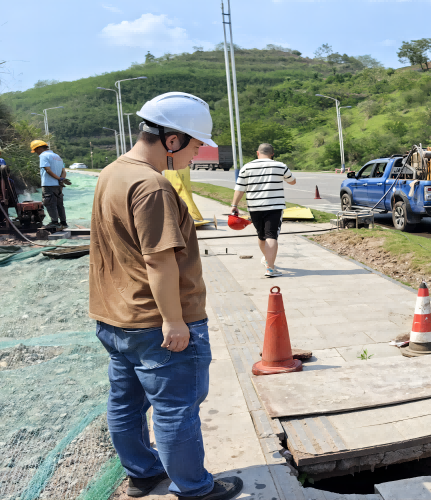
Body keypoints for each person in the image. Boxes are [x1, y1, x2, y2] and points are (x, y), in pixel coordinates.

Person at [89, 92, 243, 500]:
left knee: (126, 403)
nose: (197, 154)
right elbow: (159, 262)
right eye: (195, 146)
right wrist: (174, 321)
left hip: (116, 316)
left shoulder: (112, 172)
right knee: (176, 409)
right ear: (171, 140)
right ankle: (195, 488)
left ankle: (142, 472)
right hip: (157, 322)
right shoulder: (151, 185)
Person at [230, 142, 296, 277]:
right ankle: (270, 268)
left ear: (257, 153)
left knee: (261, 235)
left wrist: (234, 206)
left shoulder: (246, 167)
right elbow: (292, 181)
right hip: (274, 207)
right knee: (272, 235)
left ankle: (267, 259)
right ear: (272, 154)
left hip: (254, 207)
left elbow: (239, 189)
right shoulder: (280, 166)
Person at [31, 140, 68, 230]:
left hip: (48, 184)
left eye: (35, 150)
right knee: (59, 204)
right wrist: (61, 180)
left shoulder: (43, 155)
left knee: (50, 203)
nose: (36, 153)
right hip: (58, 185)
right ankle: (63, 223)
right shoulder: (57, 156)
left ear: (39, 148)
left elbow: (48, 170)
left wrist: (58, 179)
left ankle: (54, 222)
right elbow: (63, 171)